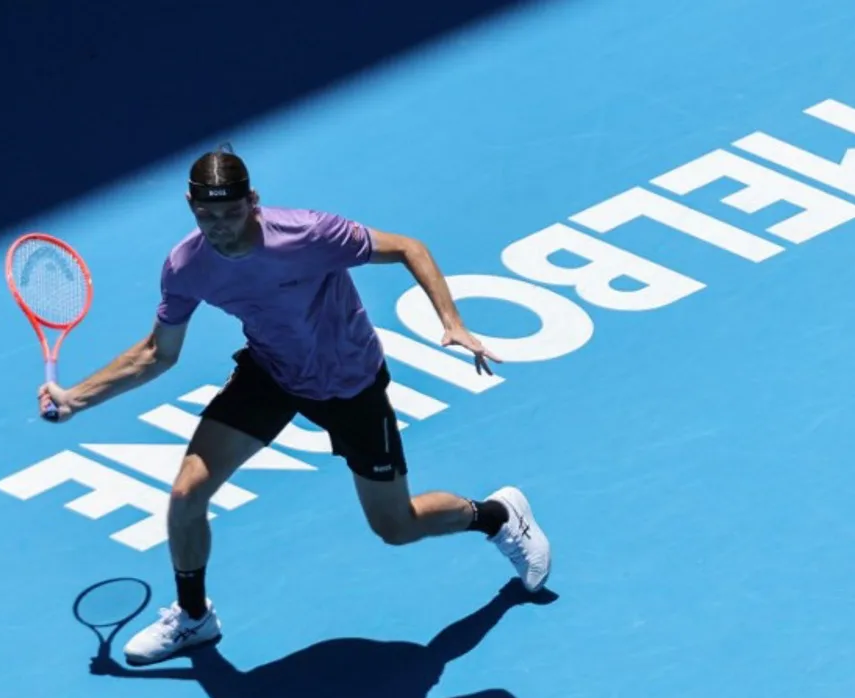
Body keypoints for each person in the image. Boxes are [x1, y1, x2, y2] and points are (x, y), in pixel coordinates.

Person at [38, 145, 552, 666]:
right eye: (206, 215)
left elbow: (408, 248)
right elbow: (156, 353)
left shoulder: (308, 233)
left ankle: (496, 516)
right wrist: (75, 399)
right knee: (188, 491)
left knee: (395, 526)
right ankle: (194, 617)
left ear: (253, 201)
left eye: (231, 212)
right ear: (191, 206)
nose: (219, 226)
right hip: (273, 374)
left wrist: (452, 321)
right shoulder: (186, 266)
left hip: (350, 382)